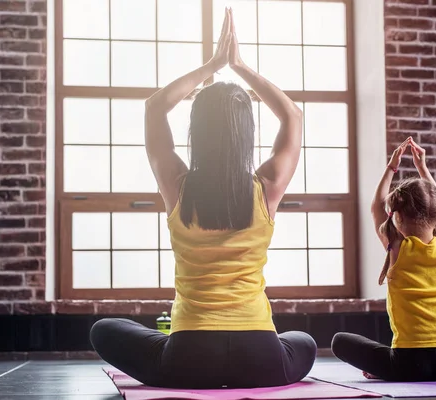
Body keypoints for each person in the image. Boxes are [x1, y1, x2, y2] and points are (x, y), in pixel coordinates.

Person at [89, 8, 316, 389]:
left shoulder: (177, 187)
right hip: (261, 356)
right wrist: (239, 67)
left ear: (196, 130)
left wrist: (212, 64)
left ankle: (173, 348)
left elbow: (154, 107)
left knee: (103, 329)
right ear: (247, 133)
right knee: (304, 342)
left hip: (188, 358)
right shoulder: (267, 187)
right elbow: (292, 115)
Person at [331, 137, 436, 382]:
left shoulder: (396, 247)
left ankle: (382, 368)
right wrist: (423, 168)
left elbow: (376, 206)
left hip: (407, 364)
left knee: (339, 341)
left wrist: (391, 167)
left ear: (396, 217)